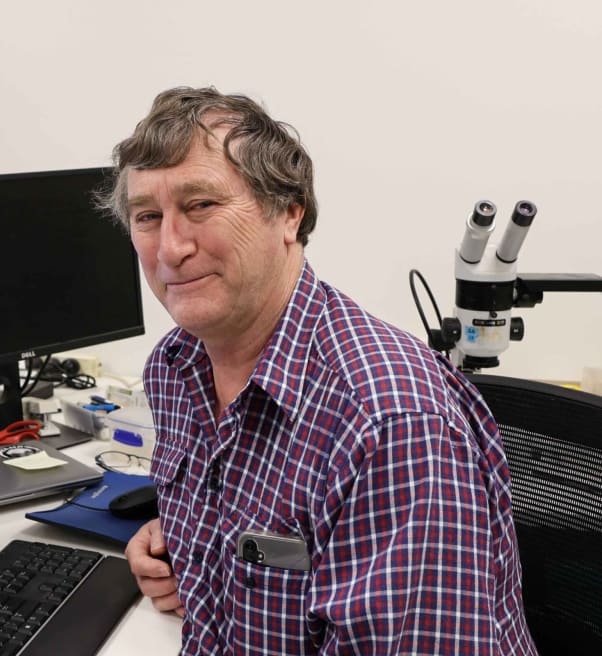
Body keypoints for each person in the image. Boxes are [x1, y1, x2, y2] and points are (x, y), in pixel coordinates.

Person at [97, 86, 538, 654]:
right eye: (148, 216)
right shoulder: (176, 365)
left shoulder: (389, 422)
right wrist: (178, 548)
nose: (171, 247)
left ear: (288, 211)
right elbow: (263, 538)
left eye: (201, 205)